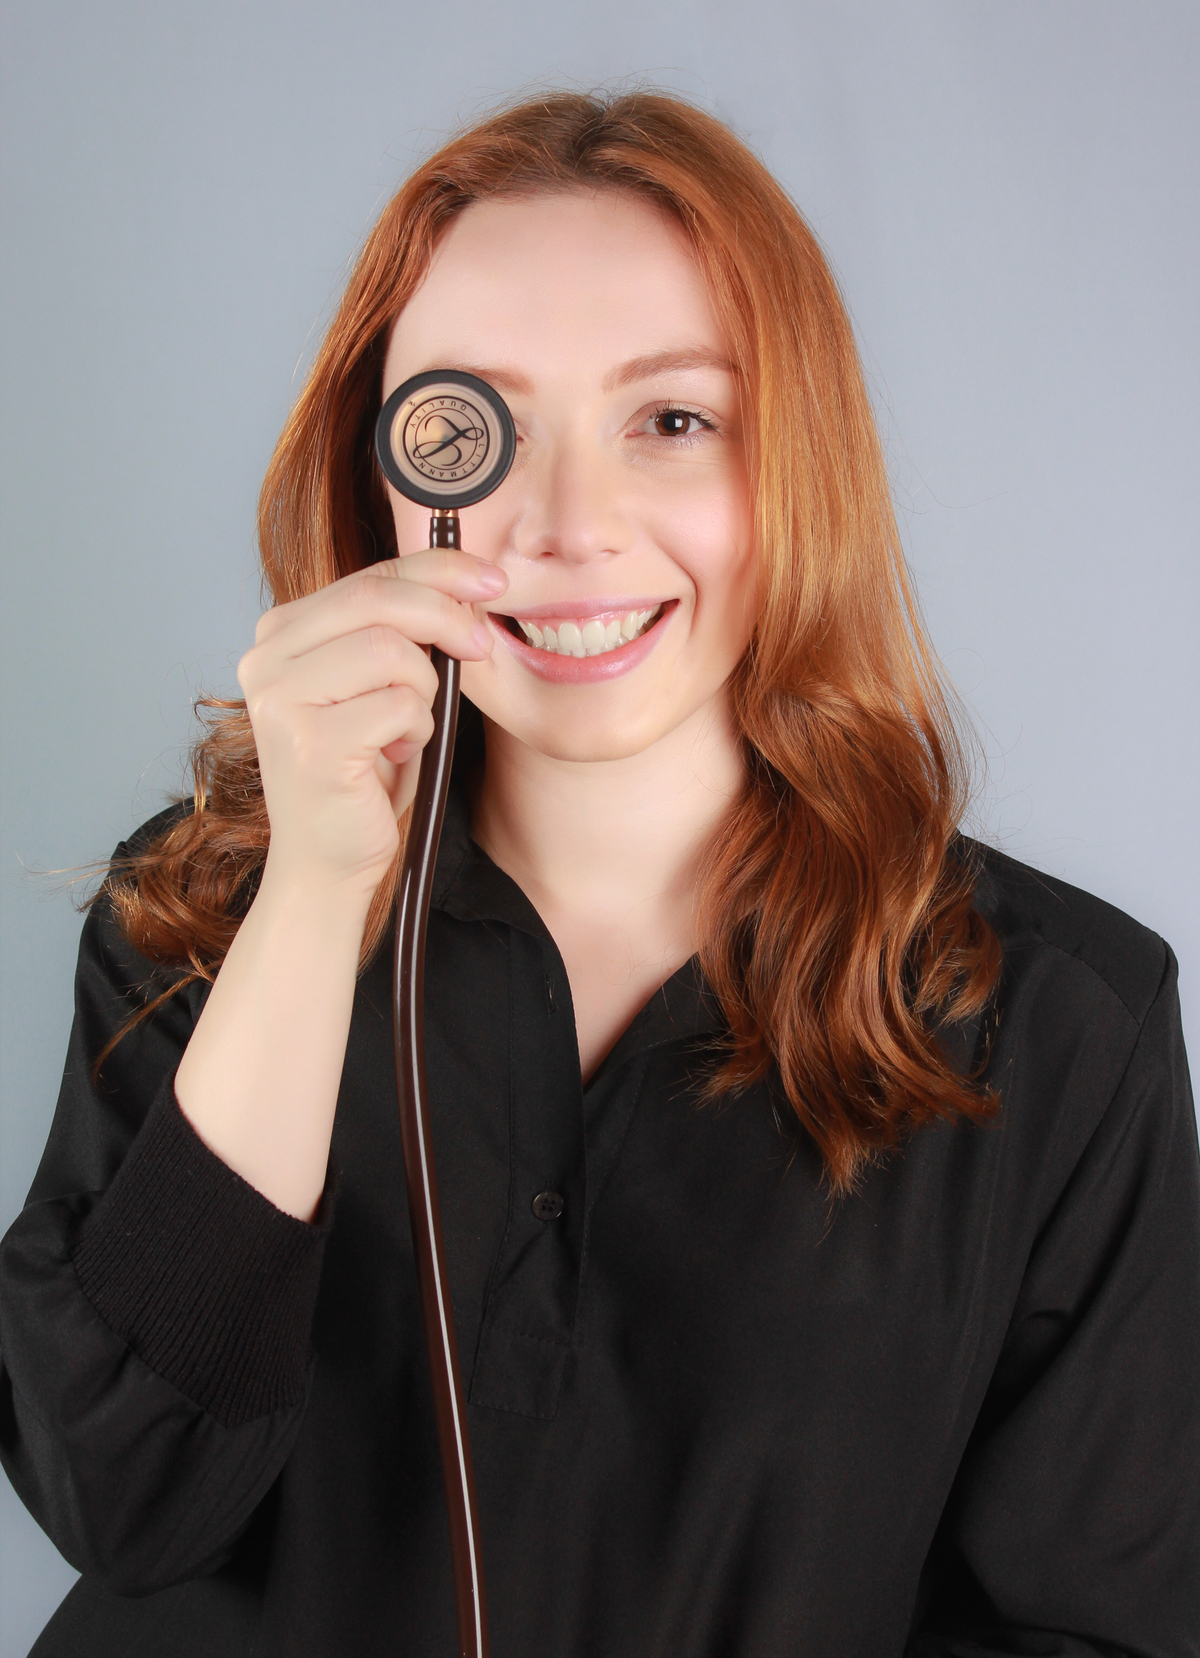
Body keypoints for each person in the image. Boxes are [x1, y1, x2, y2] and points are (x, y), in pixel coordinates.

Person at [1, 90, 1197, 1657]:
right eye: (473, 425)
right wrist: (310, 897)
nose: (567, 529)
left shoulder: (1058, 1022)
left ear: (795, 471)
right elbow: (120, 1494)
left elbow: (1096, 1625)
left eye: (673, 420)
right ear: (384, 478)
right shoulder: (203, 911)